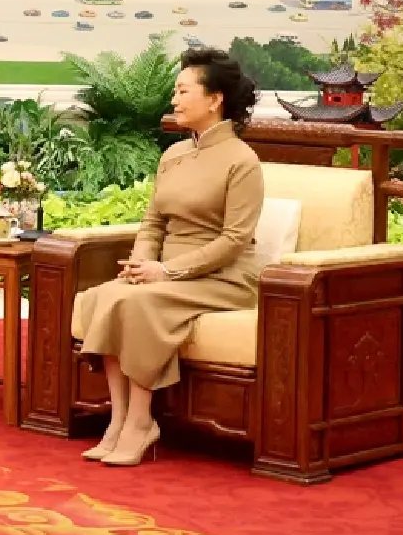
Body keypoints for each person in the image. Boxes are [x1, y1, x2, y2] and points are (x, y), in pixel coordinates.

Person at [72, 46, 263, 467]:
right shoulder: (174, 155)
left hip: (224, 276)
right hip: (166, 271)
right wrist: (141, 266)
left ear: (215, 100)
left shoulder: (242, 161)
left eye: (182, 92)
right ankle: (119, 419)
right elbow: (153, 223)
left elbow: (235, 240)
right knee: (106, 294)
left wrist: (168, 271)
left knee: (136, 303)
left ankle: (142, 421)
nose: (173, 101)